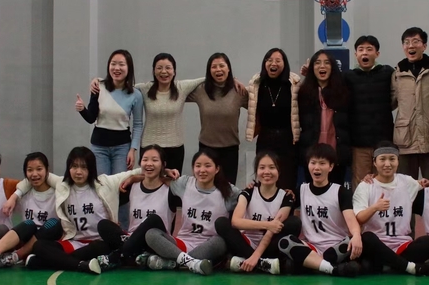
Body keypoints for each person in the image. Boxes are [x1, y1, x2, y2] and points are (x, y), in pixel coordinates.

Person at [20, 147, 142, 275]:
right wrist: (15, 195)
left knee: (99, 247)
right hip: (75, 242)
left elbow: (141, 170)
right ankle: (82, 265)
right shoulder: (62, 184)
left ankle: (48, 262)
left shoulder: (106, 182)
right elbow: (36, 176)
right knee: (39, 246)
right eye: (74, 166)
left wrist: (132, 178)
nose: (78, 172)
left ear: (91, 168)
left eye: (84, 167)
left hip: (100, 242)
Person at [92, 53, 203, 171]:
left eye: (168, 68)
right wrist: (98, 81)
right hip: (149, 146)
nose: (163, 71)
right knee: (149, 180)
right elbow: (120, 86)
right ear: (153, 71)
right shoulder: (144, 89)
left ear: (174, 71)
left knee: (173, 181)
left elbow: (205, 79)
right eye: (159, 68)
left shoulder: (182, 88)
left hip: (175, 146)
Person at [143, 149, 241, 275]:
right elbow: (155, 178)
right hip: (182, 244)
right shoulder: (185, 183)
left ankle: (174, 262)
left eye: (208, 166)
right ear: (193, 168)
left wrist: (250, 188)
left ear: (217, 169)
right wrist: (166, 171)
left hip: (208, 245)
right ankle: (191, 263)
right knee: (151, 234)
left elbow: (250, 197)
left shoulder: (229, 191)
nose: (202, 170)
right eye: (198, 166)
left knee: (220, 242)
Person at [278, 144, 363, 277]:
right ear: (308, 165)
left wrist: (357, 235)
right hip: (311, 247)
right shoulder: (301, 190)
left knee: (356, 241)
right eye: (313, 163)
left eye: (322, 163)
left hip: (336, 246)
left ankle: (312, 265)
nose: (317, 167)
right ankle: (332, 269)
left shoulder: (340, 191)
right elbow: (281, 212)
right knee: (285, 242)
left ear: (331, 167)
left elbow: (351, 220)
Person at [94, 145, 182, 271]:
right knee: (103, 225)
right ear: (140, 163)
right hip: (131, 237)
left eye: (155, 160)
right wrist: (133, 178)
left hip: (156, 241)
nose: (149, 163)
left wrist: (167, 174)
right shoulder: (132, 186)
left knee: (153, 219)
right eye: (145, 159)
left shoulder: (170, 190)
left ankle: (119, 256)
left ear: (163, 164)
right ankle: (137, 255)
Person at [352, 142, 429, 275]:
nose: (387, 164)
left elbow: (428, 184)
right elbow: (359, 218)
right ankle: (407, 267)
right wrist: (375, 207)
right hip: (377, 244)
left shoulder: (407, 182)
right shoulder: (366, 186)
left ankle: (389, 264)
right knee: (367, 238)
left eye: (392, 159)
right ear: (374, 162)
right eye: (382, 159)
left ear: (398, 161)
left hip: (402, 244)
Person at [214, 151, 300, 274]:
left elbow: (273, 230)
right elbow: (236, 222)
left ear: (279, 171)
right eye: (262, 167)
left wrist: (255, 256)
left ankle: (249, 262)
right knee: (221, 223)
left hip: (270, 245)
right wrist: (268, 225)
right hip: (246, 243)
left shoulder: (286, 196)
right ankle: (264, 264)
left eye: (272, 167)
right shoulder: (248, 192)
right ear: (256, 171)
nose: (267, 172)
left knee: (294, 223)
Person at [0, 152, 60, 273]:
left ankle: (15, 257)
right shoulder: (22, 193)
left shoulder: (59, 193)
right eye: (30, 170)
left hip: (47, 241)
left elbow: (64, 182)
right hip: (27, 239)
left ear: (47, 170)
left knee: (54, 223)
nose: (34, 174)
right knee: (28, 224)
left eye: (39, 169)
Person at [76, 49, 144, 175]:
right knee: (102, 183)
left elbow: (138, 125)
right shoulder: (98, 86)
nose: (116, 68)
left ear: (129, 68)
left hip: (122, 147)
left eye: (121, 64)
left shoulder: (136, 95)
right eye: (113, 64)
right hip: (99, 146)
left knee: (120, 183)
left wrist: (133, 149)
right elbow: (91, 118)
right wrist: (82, 109)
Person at [187, 53, 248, 185]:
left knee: (228, 189)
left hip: (230, 149)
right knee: (205, 187)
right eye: (214, 67)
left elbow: (258, 103)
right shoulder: (201, 90)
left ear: (228, 68)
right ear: (209, 71)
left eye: (222, 66)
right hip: (206, 148)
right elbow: (179, 90)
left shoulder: (238, 91)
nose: (218, 69)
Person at [343, 36, 394, 189]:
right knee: (361, 184)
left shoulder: (388, 73)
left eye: (369, 49)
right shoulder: (348, 77)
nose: (365, 53)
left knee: (384, 182)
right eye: (361, 49)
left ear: (377, 54)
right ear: (356, 54)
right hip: (359, 143)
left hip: (384, 141)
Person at [246, 48, 301, 191]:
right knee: (266, 178)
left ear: (284, 63)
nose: (273, 63)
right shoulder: (256, 84)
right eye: (269, 60)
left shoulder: (294, 84)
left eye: (278, 60)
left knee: (287, 180)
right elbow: (245, 98)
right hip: (265, 138)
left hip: (288, 140)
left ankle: (287, 204)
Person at [392, 27, 429, 180]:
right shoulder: (397, 74)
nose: (411, 46)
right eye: (406, 42)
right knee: (405, 187)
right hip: (405, 141)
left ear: (424, 46)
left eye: (415, 41)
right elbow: (389, 103)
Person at [297, 50, 351, 186]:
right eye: (317, 63)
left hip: (336, 153)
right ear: (312, 68)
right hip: (312, 153)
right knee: (313, 190)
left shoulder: (342, 91)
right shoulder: (303, 92)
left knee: (335, 190)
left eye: (327, 63)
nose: (322, 66)